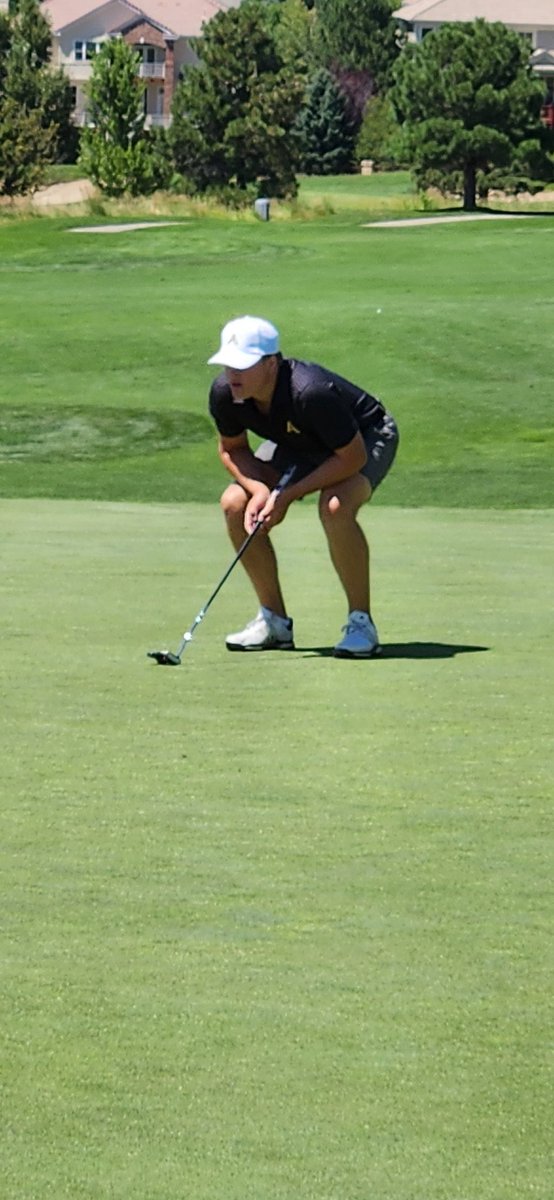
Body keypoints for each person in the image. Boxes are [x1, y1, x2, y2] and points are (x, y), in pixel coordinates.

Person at [207, 315, 399, 658]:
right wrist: (262, 490)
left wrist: (287, 495)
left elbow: (351, 458)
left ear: (271, 364)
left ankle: (361, 624)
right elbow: (232, 449)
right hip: (297, 442)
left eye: (243, 366)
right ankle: (274, 622)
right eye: (227, 365)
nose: (232, 375)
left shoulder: (309, 392)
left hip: (364, 438)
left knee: (335, 506)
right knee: (235, 502)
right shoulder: (226, 393)